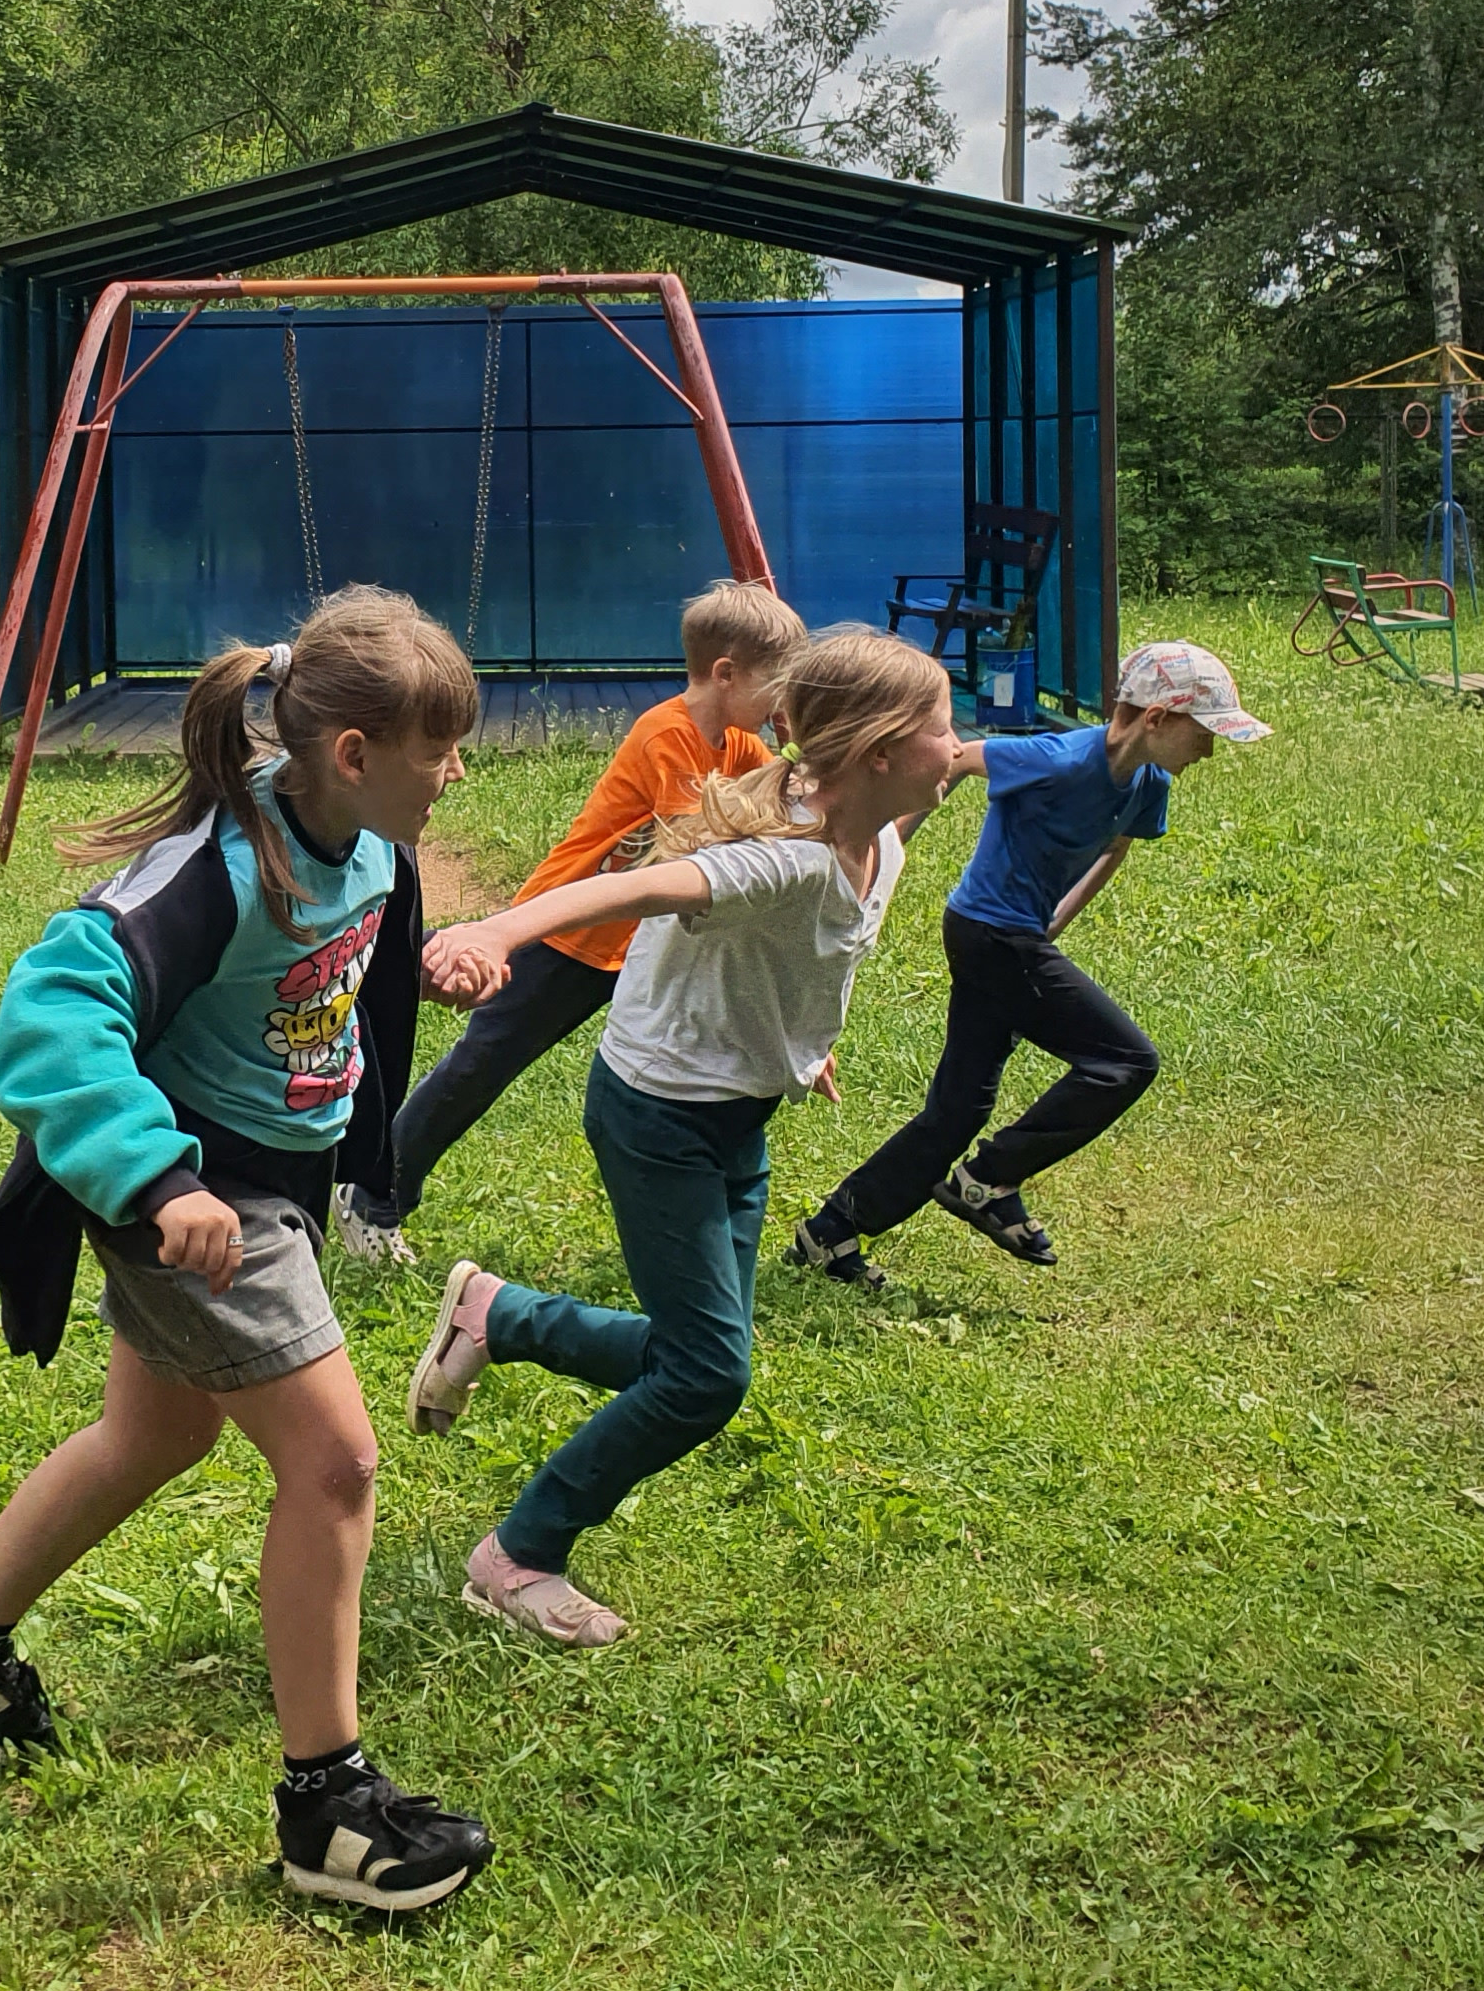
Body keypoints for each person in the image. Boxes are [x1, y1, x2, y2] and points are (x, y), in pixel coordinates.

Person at [0, 590, 499, 1912]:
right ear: (355, 755)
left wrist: (417, 972)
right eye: (440, 753)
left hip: (269, 1184)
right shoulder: (216, 863)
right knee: (335, 1466)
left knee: (154, 1436)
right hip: (200, 1200)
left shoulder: (368, 841)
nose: (455, 776)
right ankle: (328, 1809)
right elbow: (55, 1007)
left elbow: (334, 957)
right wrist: (156, 1179)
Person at [407, 627, 967, 1649]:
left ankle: (499, 1314)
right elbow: (629, 890)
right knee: (707, 1375)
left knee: (695, 1354)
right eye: (942, 727)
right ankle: (517, 1555)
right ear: (880, 752)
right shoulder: (784, 862)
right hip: (660, 1115)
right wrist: (493, 930)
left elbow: (805, 960)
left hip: (735, 1108)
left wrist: (799, 1045)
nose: (957, 743)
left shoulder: (877, 834)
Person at [334, 577, 805, 1263]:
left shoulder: (737, 744)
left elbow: (786, 801)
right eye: (776, 685)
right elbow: (700, 842)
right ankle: (374, 1195)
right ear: (726, 674)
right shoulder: (668, 734)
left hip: (633, 945)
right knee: (481, 1066)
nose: (781, 703)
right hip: (562, 933)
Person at [787, 639, 1263, 1285]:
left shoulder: (1150, 782)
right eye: (1203, 733)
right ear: (1156, 718)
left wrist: (1054, 923)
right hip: (987, 932)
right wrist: (887, 846)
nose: (1207, 751)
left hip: (1014, 939)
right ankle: (990, 1178)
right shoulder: (1056, 758)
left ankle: (829, 1233)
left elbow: (1115, 848)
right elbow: (957, 758)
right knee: (1126, 1061)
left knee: (957, 1112)